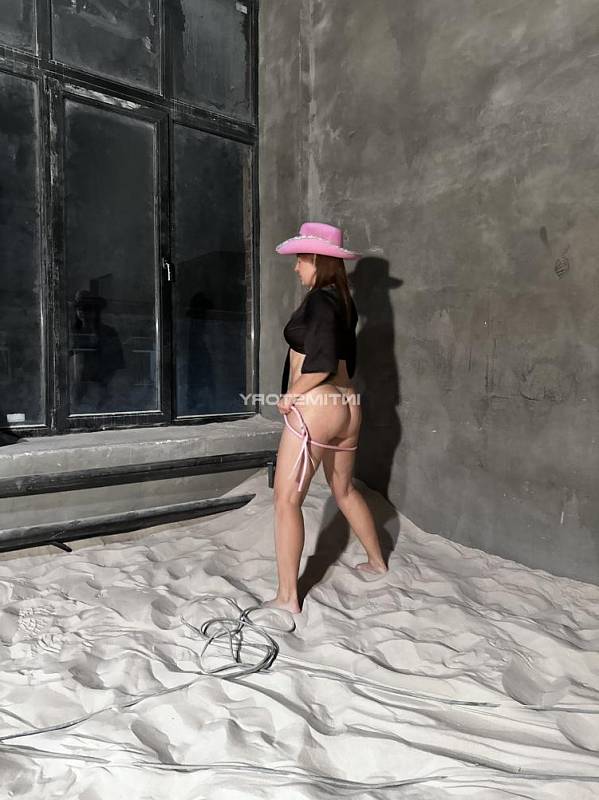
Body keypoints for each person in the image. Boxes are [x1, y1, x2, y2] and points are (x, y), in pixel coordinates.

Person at [264, 222, 387, 615]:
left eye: (301, 259)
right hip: (349, 406)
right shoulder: (344, 301)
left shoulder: (319, 301)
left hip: (318, 406)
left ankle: (287, 597)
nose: (296, 266)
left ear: (317, 259)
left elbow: (320, 365)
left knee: (286, 499)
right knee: (344, 489)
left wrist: (290, 396)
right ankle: (378, 562)